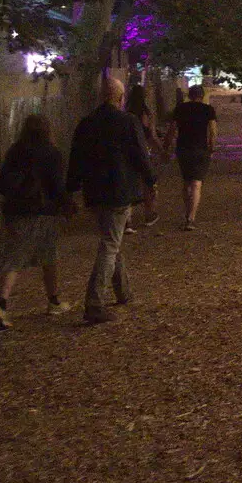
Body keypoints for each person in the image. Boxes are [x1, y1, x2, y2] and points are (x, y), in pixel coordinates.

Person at [67, 76, 157, 324]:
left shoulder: (87, 123)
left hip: (95, 191)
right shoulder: (127, 122)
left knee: (111, 239)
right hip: (119, 190)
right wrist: (151, 179)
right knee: (110, 243)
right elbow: (139, 153)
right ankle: (95, 302)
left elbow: (76, 158)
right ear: (120, 97)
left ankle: (123, 290)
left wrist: (71, 189)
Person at [0, 113, 71, 330]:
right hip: (42, 212)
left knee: (13, 259)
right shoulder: (51, 153)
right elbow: (56, 186)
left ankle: (2, 303)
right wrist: (67, 205)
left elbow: (2, 184)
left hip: (15, 211)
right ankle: (53, 300)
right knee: (49, 256)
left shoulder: (15, 151)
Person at [161, 83, 218, 229]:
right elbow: (212, 131)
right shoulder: (208, 110)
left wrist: (166, 148)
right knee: (197, 183)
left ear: (189, 95)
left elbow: (172, 130)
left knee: (186, 182)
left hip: (183, 148)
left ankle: (187, 212)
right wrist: (212, 147)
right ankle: (191, 218)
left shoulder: (180, 109)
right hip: (200, 148)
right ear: (202, 96)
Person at [123, 83, 161, 229]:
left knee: (131, 182)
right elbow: (151, 135)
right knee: (149, 183)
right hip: (144, 150)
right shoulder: (146, 112)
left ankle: (128, 221)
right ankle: (149, 214)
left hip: (129, 151)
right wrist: (161, 150)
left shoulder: (126, 112)